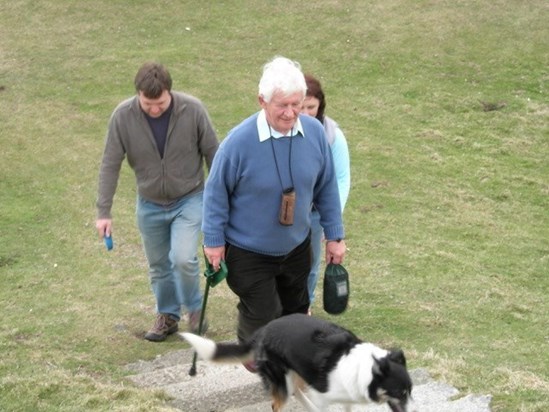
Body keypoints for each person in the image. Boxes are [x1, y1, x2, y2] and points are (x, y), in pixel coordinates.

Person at [202, 56, 347, 353]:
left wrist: (335, 236)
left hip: (296, 247)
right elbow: (216, 193)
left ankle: (290, 365)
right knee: (264, 313)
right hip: (247, 250)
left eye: (297, 103)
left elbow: (327, 186)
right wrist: (213, 242)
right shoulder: (238, 144)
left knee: (296, 313)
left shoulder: (315, 134)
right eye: (282, 105)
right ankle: (252, 348)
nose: (291, 112)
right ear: (262, 101)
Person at [95, 62, 219, 342]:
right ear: (138, 94)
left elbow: (215, 155)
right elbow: (109, 164)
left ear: (169, 93)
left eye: (160, 103)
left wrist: (224, 201)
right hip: (149, 203)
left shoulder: (193, 110)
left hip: (189, 198)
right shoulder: (122, 117)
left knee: (182, 258)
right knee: (159, 265)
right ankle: (167, 315)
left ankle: (195, 310)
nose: (154, 109)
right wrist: (104, 211)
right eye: (147, 103)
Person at [301, 74, 351, 312]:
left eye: (311, 107)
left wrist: (333, 221)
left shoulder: (332, 135)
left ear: (320, 105)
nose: (305, 112)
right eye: (300, 106)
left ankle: (304, 307)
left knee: (309, 262)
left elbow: (341, 178)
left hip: (314, 213)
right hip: (282, 210)